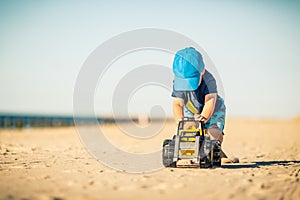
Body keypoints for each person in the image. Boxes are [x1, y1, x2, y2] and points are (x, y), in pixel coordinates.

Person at [172, 47, 234, 162]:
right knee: (189, 132)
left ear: (202, 71)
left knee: (212, 135)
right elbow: (177, 104)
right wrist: (180, 121)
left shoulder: (209, 80)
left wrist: (204, 117)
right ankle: (192, 152)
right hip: (191, 108)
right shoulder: (177, 82)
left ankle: (216, 151)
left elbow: (210, 100)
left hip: (214, 108)